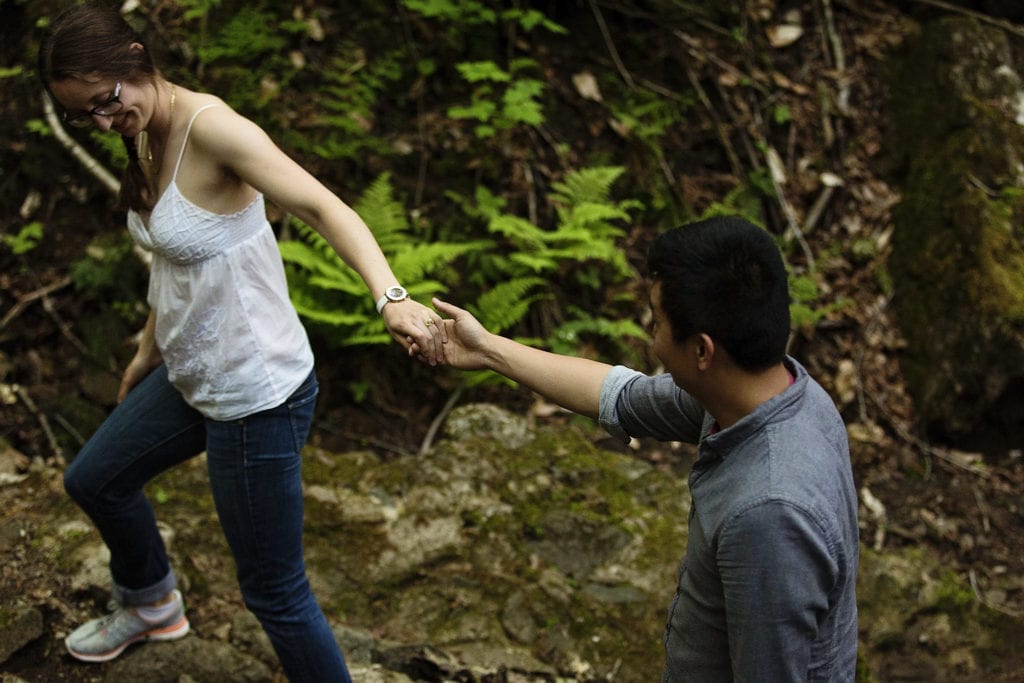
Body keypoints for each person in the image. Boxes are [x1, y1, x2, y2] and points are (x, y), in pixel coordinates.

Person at [38, 3, 446, 680]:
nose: (103, 122)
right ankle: (151, 602)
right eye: (87, 114)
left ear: (138, 57)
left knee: (275, 592)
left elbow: (324, 206)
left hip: (257, 392)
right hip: (191, 368)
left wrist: (390, 296)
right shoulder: (143, 129)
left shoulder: (215, 130)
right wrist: (150, 347)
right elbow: (175, 263)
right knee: (95, 480)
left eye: (106, 102)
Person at [424, 216, 859, 681]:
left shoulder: (769, 513)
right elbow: (621, 397)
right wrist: (488, 350)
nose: (650, 339)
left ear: (702, 351)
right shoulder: (778, 392)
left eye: (656, 323)